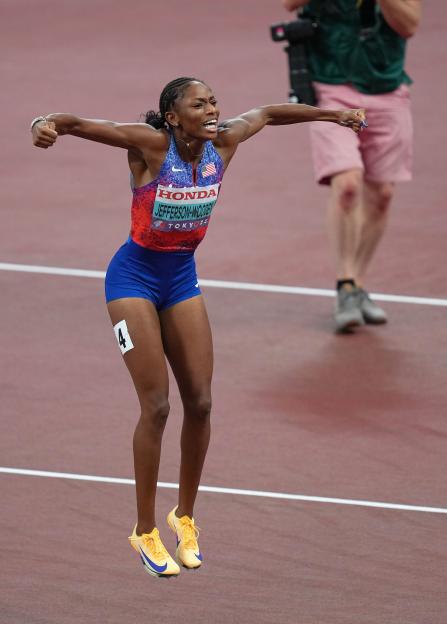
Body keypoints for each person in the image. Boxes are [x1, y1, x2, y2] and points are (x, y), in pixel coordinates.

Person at [30, 78, 365, 577]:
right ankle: (145, 530)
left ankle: (184, 517)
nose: (211, 110)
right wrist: (45, 124)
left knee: (202, 403)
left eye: (213, 102)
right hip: (132, 280)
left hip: (181, 279)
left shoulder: (223, 144)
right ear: (172, 117)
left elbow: (268, 114)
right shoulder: (150, 146)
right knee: (157, 406)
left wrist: (331, 115)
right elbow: (80, 125)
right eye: (199, 104)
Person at [281, 0, 421, 332]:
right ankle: (345, 284)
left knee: (383, 194)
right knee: (347, 184)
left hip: (386, 87)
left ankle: (356, 284)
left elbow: (408, 25)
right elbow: (289, 3)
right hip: (331, 86)